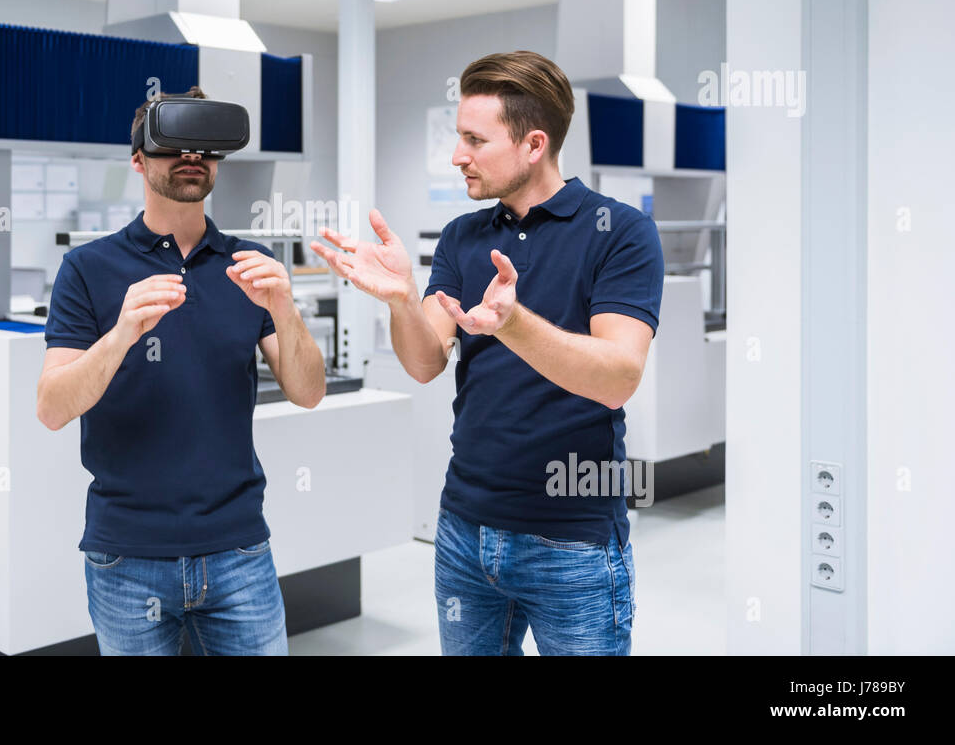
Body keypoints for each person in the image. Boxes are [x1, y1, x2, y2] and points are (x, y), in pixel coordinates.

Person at [311, 51, 664, 655]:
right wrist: (398, 299)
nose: (457, 156)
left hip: (571, 539)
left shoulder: (620, 231)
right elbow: (424, 363)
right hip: (465, 529)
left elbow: (617, 377)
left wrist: (512, 323)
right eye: (458, 137)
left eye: (475, 139)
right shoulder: (462, 237)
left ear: (533, 144)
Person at [37, 87, 326, 656]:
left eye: (206, 148)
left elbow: (308, 391)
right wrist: (122, 334)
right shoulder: (87, 269)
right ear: (139, 160)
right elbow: (52, 407)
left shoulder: (249, 264)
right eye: (173, 146)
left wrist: (284, 309)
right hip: (126, 557)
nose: (192, 157)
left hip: (239, 552)